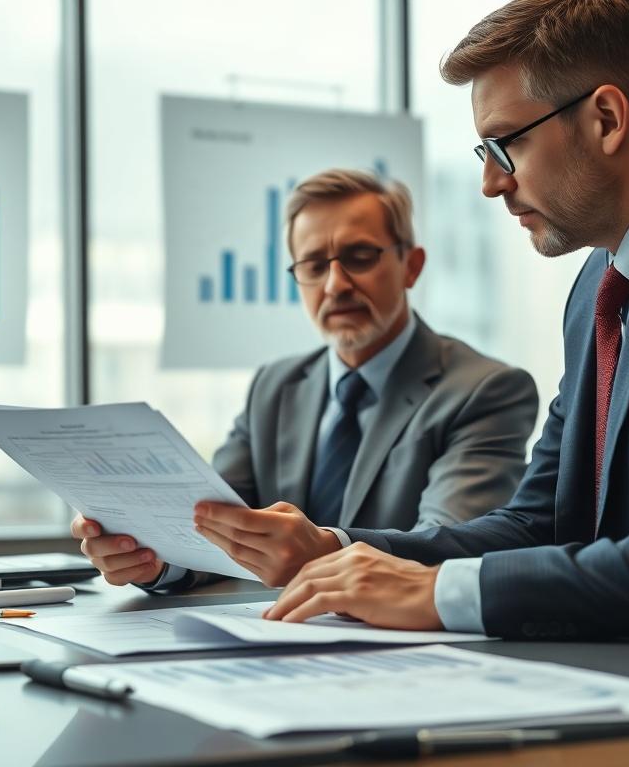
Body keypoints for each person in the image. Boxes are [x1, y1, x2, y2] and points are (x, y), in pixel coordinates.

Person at [200, 0, 629, 640]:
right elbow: (539, 521)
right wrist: (332, 550)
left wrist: (440, 592)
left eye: (506, 145)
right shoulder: (601, 280)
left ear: (607, 118)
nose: (489, 182)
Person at [73, 169, 538, 590]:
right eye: (314, 266)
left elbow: (448, 546)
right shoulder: (274, 388)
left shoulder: (485, 390)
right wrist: (155, 562)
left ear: (411, 266)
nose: (335, 285)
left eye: (359, 256)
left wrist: (325, 548)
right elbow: (214, 528)